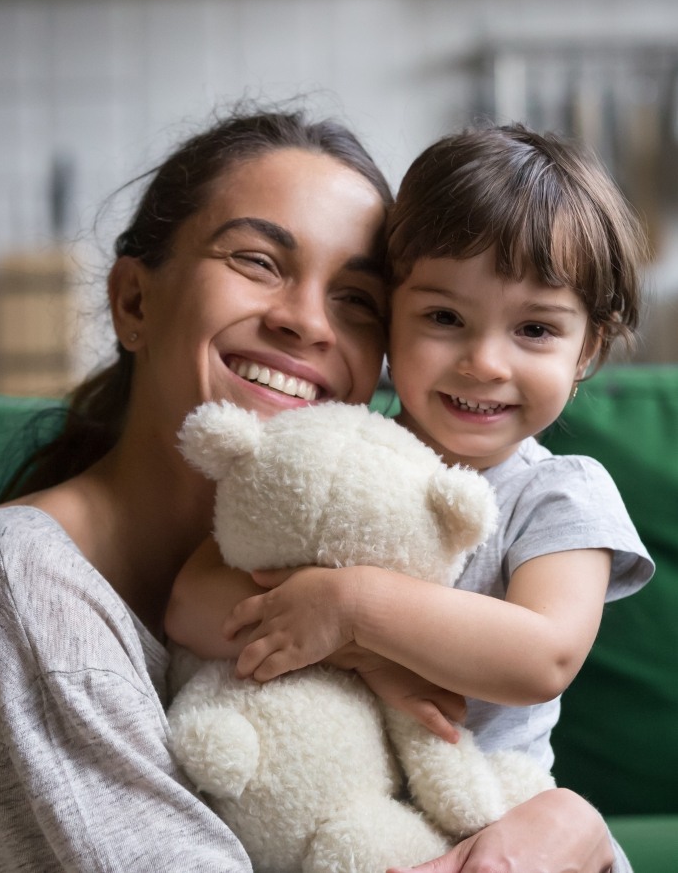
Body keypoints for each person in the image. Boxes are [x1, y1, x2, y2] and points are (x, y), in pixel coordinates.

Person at [0, 106, 628, 873]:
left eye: (355, 299)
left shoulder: (475, 492)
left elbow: (543, 660)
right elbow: (205, 606)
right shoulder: (21, 582)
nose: (307, 324)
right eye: (256, 261)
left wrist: (575, 832)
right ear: (133, 302)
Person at [165, 123, 654, 873]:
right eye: (444, 318)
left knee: (544, 831)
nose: (485, 362)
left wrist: (355, 610)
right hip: (349, 820)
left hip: (501, 819)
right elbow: (194, 599)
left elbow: (542, 654)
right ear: (390, 315)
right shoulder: (336, 453)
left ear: (587, 347)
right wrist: (366, 660)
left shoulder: (558, 490)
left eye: (534, 329)